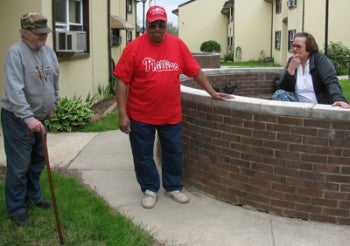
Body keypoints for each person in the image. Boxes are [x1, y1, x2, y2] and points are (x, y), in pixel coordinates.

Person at [113, 5, 233, 209]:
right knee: (142, 155)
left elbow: (195, 71)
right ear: (147, 26)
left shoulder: (177, 45)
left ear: (166, 25)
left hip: (171, 114)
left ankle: (173, 186)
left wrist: (211, 92)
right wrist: (123, 114)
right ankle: (150, 188)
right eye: (153, 25)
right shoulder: (134, 48)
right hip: (140, 115)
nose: (157, 29)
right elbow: (122, 81)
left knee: (173, 152)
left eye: (161, 24)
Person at [1, 13, 59, 226]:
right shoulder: (15, 54)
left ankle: (33, 196)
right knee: (19, 165)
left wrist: (54, 103)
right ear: (25, 33)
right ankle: (16, 208)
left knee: (37, 161)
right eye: (39, 33)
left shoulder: (49, 52)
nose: (44, 37)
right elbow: (15, 91)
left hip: (40, 118)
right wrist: (28, 118)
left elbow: (55, 80)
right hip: (17, 119)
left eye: (45, 32)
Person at [272, 32, 350, 109]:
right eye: (293, 46)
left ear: (309, 48)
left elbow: (331, 81)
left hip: (319, 105)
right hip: (299, 104)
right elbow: (283, 87)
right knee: (279, 94)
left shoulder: (320, 60)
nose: (294, 49)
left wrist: (339, 98)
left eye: (298, 46)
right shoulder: (292, 61)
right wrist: (290, 70)